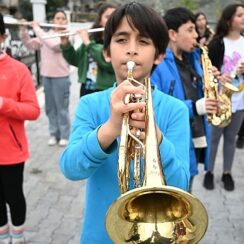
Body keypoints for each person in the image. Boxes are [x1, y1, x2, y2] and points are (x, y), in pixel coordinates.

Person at [59, 2, 191, 243]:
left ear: (159, 55)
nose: (132, 50)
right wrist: (109, 129)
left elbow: (181, 184)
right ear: (107, 52)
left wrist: (156, 137)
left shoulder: (175, 110)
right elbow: (70, 168)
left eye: (143, 41)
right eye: (121, 39)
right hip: (101, 234)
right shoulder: (90, 104)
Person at [151, 7, 219, 192]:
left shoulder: (195, 58)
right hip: (170, 143)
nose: (196, 35)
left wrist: (212, 81)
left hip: (196, 136)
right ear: (172, 34)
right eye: (190, 29)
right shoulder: (157, 65)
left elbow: (203, 95)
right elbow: (156, 107)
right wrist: (195, 107)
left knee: (186, 189)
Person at [0, 13, 40, 244]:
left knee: (13, 196)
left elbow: (33, 110)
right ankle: (4, 235)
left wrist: (4, 104)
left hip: (11, 149)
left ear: (3, 37)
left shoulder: (18, 69)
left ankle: (18, 236)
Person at [203, 3, 244, 191]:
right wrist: (219, 75)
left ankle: (227, 173)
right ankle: (209, 172)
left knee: (231, 138)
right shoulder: (216, 42)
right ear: (229, 20)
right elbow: (206, 70)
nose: (243, 18)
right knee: (214, 138)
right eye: (240, 15)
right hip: (219, 99)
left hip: (239, 100)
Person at [20, 10, 71, 147]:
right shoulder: (46, 35)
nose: (60, 21)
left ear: (66, 21)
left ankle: (65, 135)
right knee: (50, 108)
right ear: (53, 20)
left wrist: (36, 28)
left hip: (61, 77)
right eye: (57, 18)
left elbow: (54, 45)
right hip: (47, 77)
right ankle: (54, 134)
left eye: (62, 18)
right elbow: (30, 44)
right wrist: (24, 31)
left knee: (62, 108)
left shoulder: (67, 35)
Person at [61, 2, 116, 97]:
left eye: (114, 18)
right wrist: (66, 45)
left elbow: (108, 62)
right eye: (108, 17)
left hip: (106, 91)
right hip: (87, 88)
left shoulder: (118, 41)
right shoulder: (91, 39)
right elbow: (75, 60)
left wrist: (88, 43)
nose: (112, 21)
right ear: (99, 21)